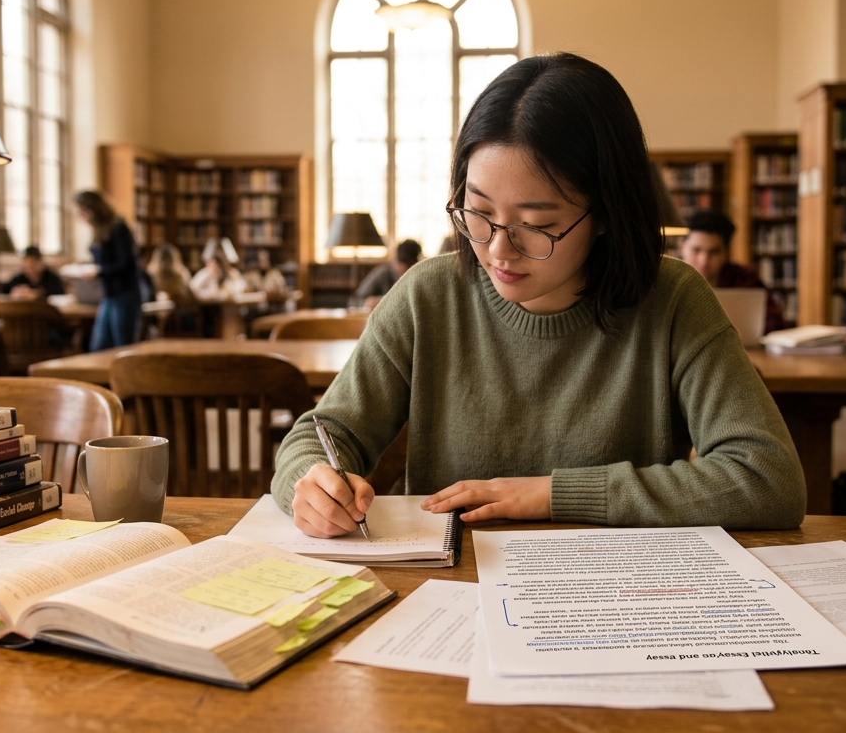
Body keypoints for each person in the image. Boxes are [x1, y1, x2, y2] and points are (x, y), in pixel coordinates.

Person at [271, 53, 803, 538]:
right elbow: (320, 435)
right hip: (451, 584)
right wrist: (311, 481)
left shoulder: (673, 300)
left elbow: (768, 478)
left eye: (536, 225)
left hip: (620, 590)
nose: (498, 250)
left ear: (607, 215)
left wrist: (551, 494)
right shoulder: (427, 296)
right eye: (478, 211)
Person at [678, 210, 786, 334]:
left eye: (714, 252)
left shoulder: (744, 278)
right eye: (696, 250)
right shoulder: (670, 279)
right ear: (683, 248)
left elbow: (776, 324)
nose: (704, 260)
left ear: (726, 253)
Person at [75, 190, 142, 351]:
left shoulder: (118, 228)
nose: (80, 216)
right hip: (109, 295)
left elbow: (126, 264)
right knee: (99, 346)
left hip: (124, 293)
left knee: (123, 346)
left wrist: (98, 272)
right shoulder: (98, 232)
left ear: (93, 210)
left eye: (82, 211)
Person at [349, 239, 422, 308]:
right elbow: (354, 301)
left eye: (408, 265)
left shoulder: (418, 278)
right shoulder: (382, 273)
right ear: (395, 260)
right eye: (401, 262)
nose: (403, 267)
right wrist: (367, 303)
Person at [0, 246, 66, 300]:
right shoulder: (20, 278)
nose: (29, 269)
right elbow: (2, 291)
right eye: (26, 266)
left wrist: (37, 293)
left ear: (40, 263)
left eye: (32, 265)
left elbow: (60, 294)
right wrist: (14, 292)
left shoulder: (52, 278)